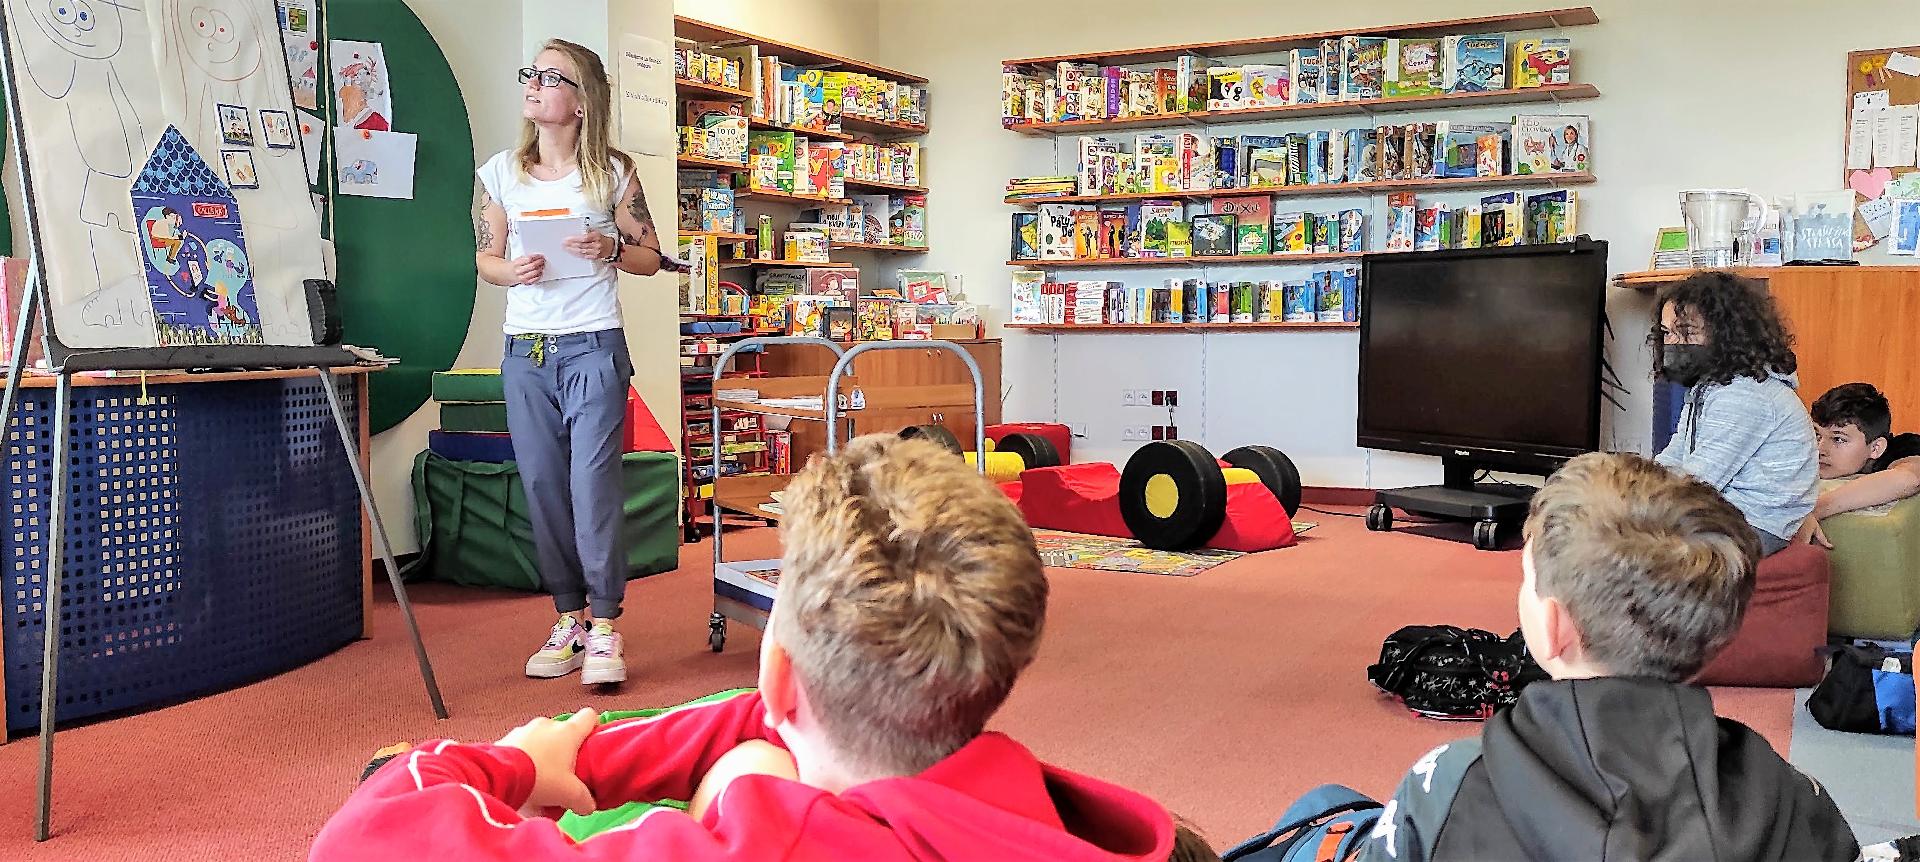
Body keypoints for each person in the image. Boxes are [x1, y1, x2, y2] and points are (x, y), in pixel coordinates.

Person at [310, 435, 1177, 860]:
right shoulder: (1032, 803)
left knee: (750, 769)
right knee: (754, 754)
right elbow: (767, 713)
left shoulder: (778, 842)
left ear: (777, 668)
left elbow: (365, 840)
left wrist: (500, 766)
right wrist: (585, 757)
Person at [1355, 452, 1859, 862]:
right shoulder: (1784, 793)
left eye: (1528, 580)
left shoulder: (1446, 782)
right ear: (1717, 639)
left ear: (1553, 627)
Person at [475, 39, 668, 685]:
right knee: (541, 486)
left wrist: (610, 248)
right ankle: (569, 619)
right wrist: (512, 271)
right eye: (530, 73)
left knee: (593, 487)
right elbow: (486, 258)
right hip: (525, 352)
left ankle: (606, 624)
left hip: (593, 347)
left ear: (582, 101)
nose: (533, 84)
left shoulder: (613, 172)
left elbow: (651, 257)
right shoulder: (501, 172)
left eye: (550, 77)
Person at [1652, 270, 1818, 557]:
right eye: (1667, 333)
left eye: (1687, 331)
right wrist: (1631, 486)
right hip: (1723, 515)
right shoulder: (1709, 387)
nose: (1673, 343)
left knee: (1623, 550)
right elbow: (1673, 458)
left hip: (1751, 527)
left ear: (1726, 333)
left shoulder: (1744, 394)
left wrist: (1628, 506)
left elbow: (1698, 484)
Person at [1797, 382, 1920, 547]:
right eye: (1817, 435)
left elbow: (1908, 479)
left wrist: (1815, 509)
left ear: (1876, 448)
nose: (1820, 449)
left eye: (1838, 439)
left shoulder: (1905, 448)